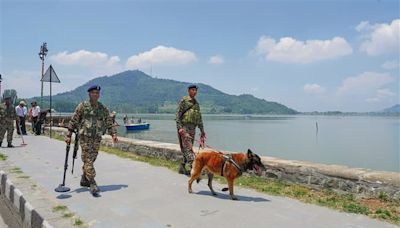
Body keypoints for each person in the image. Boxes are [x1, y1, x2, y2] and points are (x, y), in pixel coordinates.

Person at [65, 85, 118, 196]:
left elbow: (109, 121)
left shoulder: (102, 108)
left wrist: (113, 134)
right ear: (89, 94)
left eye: (97, 93)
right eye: (93, 92)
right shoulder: (83, 106)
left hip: (96, 138)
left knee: (92, 158)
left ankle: (84, 179)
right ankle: (92, 183)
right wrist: (69, 134)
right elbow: (74, 120)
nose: (95, 94)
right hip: (85, 137)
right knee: (88, 159)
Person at [175, 85, 206, 175]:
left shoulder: (196, 104)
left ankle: (182, 167)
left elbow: (199, 118)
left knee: (187, 148)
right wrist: (180, 128)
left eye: (196, 90)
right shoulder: (184, 101)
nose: (195, 92)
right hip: (184, 128)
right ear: (188, 91)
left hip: (193, 129)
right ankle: (195, 168)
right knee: (188, 148)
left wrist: (202, 130)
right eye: (193, 90)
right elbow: (177, 115)